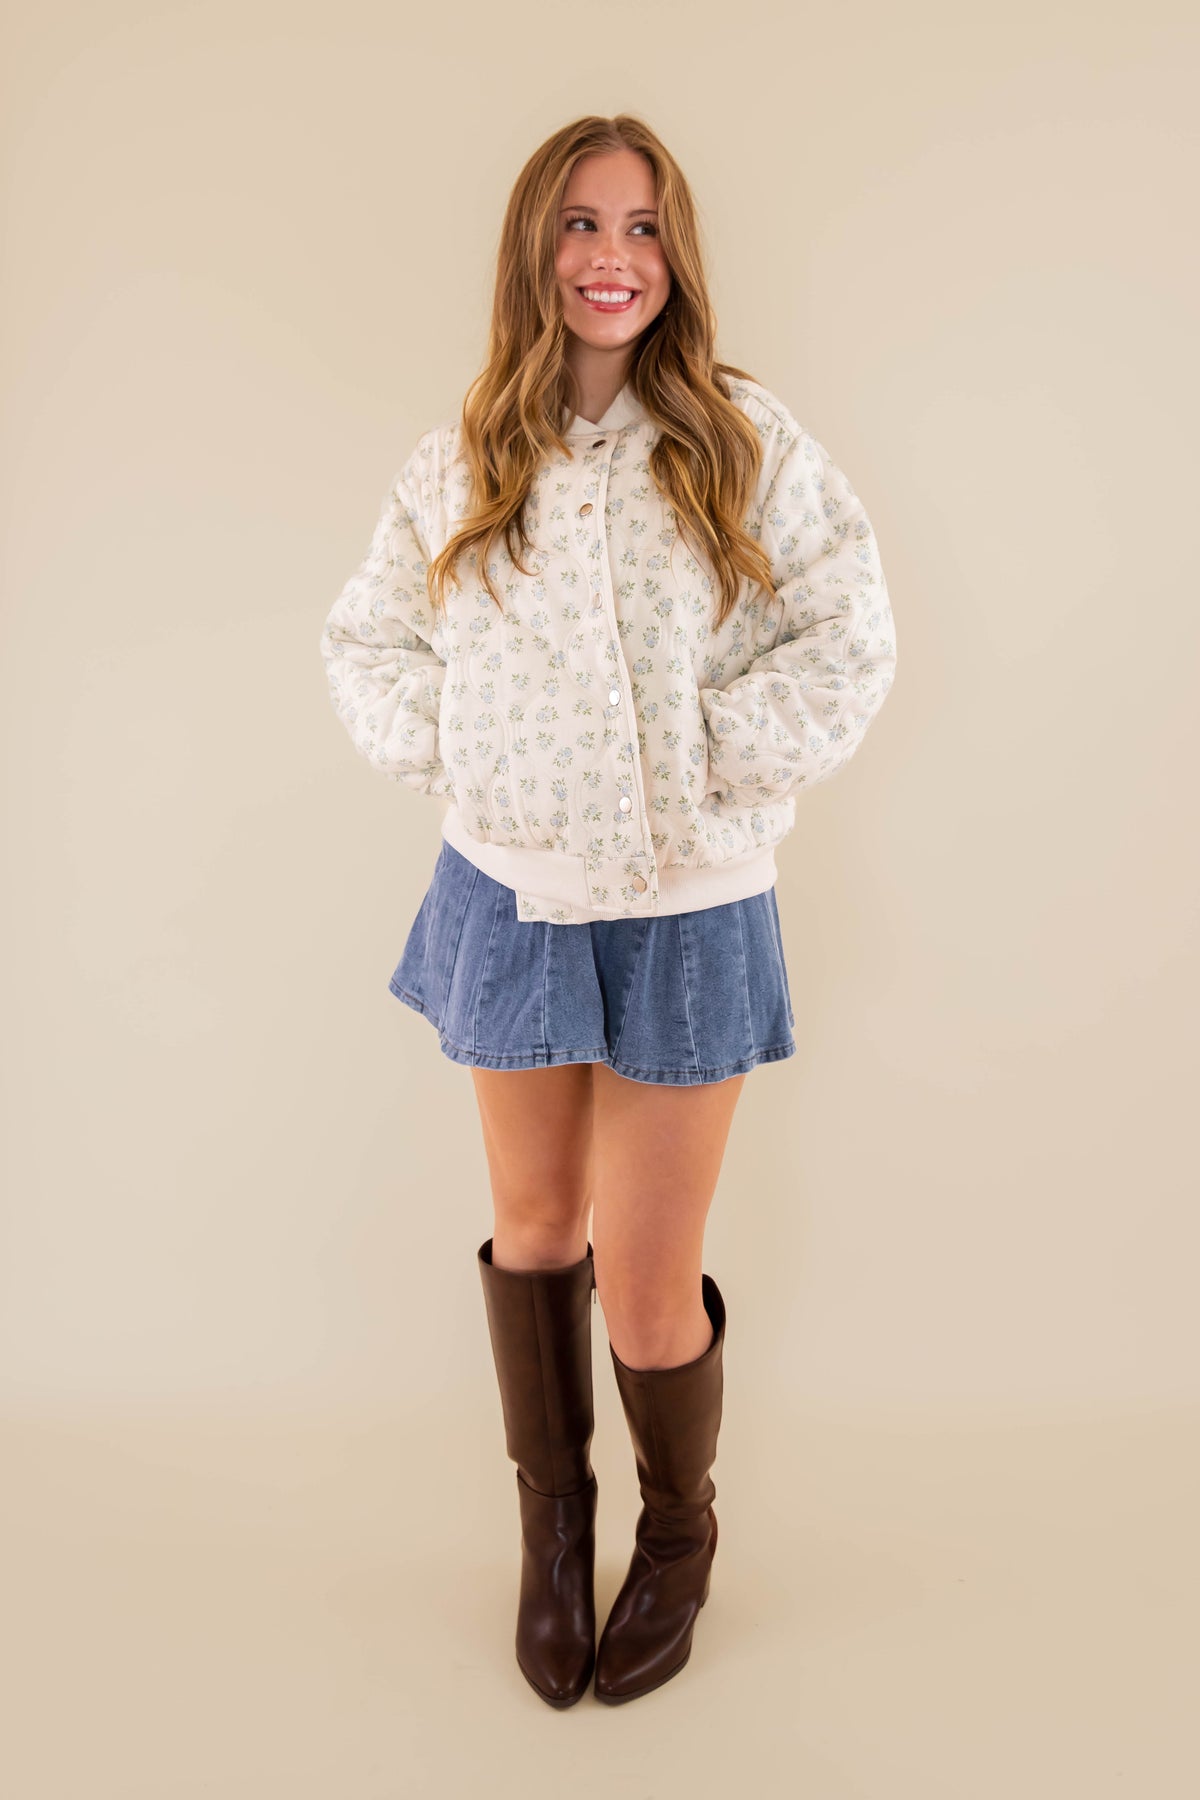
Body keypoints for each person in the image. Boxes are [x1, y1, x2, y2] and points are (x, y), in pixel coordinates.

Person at [319, 113, 897, 1708]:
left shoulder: (743, 440)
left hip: (691, 913)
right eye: (582, 223)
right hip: (510, 897)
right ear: (536, 249)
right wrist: (472, 752)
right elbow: (366, 644)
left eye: (642, 227)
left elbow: (851, 631)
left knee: (646, 1281)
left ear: (675, 256)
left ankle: (680, 1532)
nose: (611, 257)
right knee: (535, 1235)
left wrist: (715, 758)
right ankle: (554, 1527)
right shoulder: (462, 462)